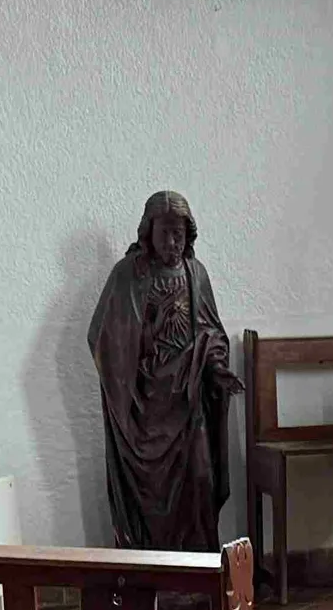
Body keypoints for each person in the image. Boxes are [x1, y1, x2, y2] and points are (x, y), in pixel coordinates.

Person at [86, 191, 239, 549]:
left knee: (200, 479)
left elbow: (210, 333)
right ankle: (156, 578)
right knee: (150, 497)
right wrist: (147, 339)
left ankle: (198, 572)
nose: (172, 241)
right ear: (148, 232)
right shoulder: (128, 275)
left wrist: (217, 368)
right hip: (146, 409)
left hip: (189, 402)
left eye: (179, 234)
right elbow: (102, 336)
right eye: (165, 233)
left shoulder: (195, 274)